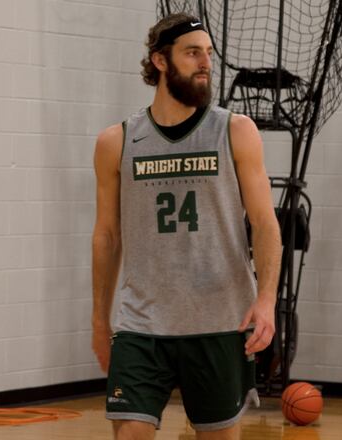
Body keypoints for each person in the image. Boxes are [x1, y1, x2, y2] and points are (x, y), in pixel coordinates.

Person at [91, 12, 282, 440]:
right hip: (142, 323)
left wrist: (266, 299)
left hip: (219, 322)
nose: (205, 63)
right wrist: (100, 322)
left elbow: (265, 224)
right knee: (130, 434)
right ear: (160, 61)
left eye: (208, 53)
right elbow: (106, 236)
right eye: (193, 52)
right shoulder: (116, 141)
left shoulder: (236, 131)